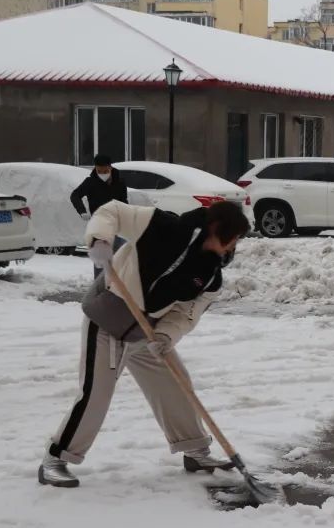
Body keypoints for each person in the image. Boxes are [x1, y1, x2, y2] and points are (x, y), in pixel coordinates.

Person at [38, 200, 251, 488]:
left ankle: (195, 451)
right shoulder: (162, 226)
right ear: (216, 228)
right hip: (108, 321)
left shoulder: (211, 275)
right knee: (96, 393)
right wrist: (100, 240)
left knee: (177, 385)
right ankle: (56, 458)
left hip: (145, 333)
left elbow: (186, 315)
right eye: (233, 237)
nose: (233, 246)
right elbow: (111, 211)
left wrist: (165, 337)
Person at [71, 155, 129, 277]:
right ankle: (100, 288)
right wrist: (82, 211)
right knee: (101, 262)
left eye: (105, 171)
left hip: (117, 225)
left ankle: (117, 287)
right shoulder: (90, 182)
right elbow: (75, 195)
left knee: (120, 258)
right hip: (99, 227)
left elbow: (124, 201)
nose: (102, 174)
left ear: (110, 168)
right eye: (99, 171)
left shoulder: (120, 182)